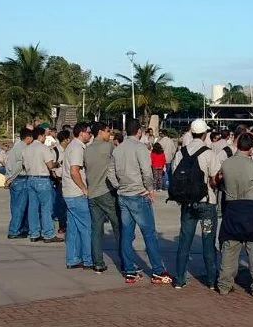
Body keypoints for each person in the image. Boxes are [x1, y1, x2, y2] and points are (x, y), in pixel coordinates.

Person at [108, 120, 172, 284]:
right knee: (149, 234)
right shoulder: (140, 148)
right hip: (138, 194)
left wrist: (119, 186)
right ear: (138, 132)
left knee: (127, 234)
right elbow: (146, 171)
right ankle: (157, 270)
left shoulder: (118, 149)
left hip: (123, 195)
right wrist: (149, 189)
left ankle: (129, 270)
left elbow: (110, 173)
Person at [216, 132, 253, 296]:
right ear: (252, 147)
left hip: (232, 207)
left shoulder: (226, 164)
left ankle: (224, 285)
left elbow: (221, 182)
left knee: (230, 248)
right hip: (251, 209)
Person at [172, 119, 220, 290]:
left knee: (185, 241)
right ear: (205, 133)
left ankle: (179, 279)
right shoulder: (208, 153)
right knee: (208, 242)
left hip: (187, 204)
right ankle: (212, 280)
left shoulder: (180, 153)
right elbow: (215, 179)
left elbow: (174, 175)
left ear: (191, 133)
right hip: (206, 203)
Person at [84, 122, 120, 274]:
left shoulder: (87, 149)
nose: (109, 134)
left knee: (96, 229)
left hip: (92, 192)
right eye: (107, 131)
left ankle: (98, 262)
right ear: (100, 132)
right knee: (119, 226)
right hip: (106, 191)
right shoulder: (108, 147)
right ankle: (125, 260)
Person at [23, 127, 64, 243]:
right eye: (45, 136)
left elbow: (25, 166)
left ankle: (34, 233)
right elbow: (50, 165)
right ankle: (48, 234)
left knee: (33, 207)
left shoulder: (26, 149)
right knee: (46, 208)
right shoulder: (43, 148)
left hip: (30, 178)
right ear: (40, 136)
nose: (45, 138)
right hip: (42, 179)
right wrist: (57, 164)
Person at [63, 122, 93, 269]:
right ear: (81, 133)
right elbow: (74, 171)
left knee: (74, 228)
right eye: (89, 132)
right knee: (86, 227)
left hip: (69, 193)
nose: (90, 135)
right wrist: (84, 188)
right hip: (76, 193)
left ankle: (73, 258)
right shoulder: (76, 148)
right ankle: (88, 259)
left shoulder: (72, 146)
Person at [6, 129, 33, 238]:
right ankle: (14, 231)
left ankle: (22, 229)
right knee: (19, 207)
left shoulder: (16, 147)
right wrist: (11, 178)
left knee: (18, 206)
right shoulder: (23, 149)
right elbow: (20, 166)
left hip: (17, 180)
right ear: (28, 138)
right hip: (20, 179)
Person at [51, 130, 71, 234]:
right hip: (59, 181)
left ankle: (69, 224)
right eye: (69, 138)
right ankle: (62, 225)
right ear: (65, 140)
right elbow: (51, 166)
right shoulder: (55, 151)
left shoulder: (70, 150)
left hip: (70, 180)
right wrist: (56, 177)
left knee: (69, 204)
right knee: (61, 204)